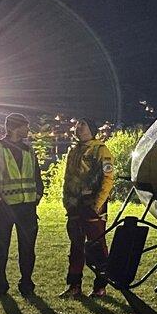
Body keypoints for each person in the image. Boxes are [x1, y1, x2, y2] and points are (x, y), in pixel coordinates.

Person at [0, 113, 43, 296]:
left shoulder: (29, 150)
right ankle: (0, 286)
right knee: (1, 249)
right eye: (26, 126)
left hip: (27, 207)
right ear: (15, 127)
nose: (28, 130)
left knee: (28, 250)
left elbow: (36, 176)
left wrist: (37, 196)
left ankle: (26, 284)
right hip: (5, 209)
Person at [59, 118, 115, 298]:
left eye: (82, 125)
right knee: (76, 246)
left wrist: (97, 204)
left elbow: (108, 179)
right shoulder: (73, 151)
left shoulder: (101, 150)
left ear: (92, 129)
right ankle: (74, 286)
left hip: (92, 206)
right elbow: (67, 178)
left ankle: (100, 287)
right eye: (77, 125)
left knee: (97, 246)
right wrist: (66, 200)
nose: (78, 128)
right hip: (74, 206)